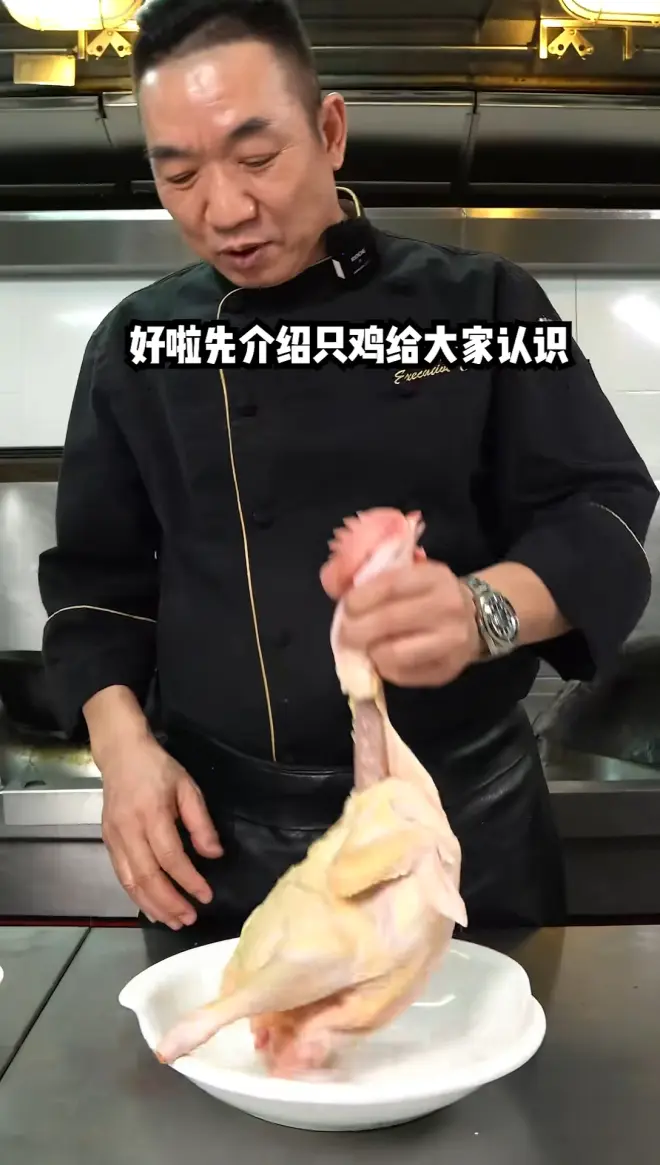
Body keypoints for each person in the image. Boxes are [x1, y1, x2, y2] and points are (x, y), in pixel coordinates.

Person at [38, 0, 657, 940]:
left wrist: (484, 609)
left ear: (329, 132)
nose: (224, 210)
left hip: (455, 822)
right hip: (223, 843)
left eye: (257, 158)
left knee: (490, 1043)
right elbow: (96, 587)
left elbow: (600, 511)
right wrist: (122, 751)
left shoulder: (483, 303)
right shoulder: (135, 347)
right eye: (180, 174)